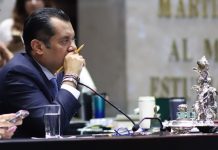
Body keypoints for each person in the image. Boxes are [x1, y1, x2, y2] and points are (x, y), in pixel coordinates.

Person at [0, 7, 86, 138]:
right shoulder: (18, 73)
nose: (73, 47)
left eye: (73, 39)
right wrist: (71, 77)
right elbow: (49, 127)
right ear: (38, 47)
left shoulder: (55, 69)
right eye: (64, 41)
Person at [0, 0, 97, 93]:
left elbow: (70, 58)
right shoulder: (8, 27)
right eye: (28, 0)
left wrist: (86, 82)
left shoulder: (57, 26)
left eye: (73, 39)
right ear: (37, 46)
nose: (33, 2)